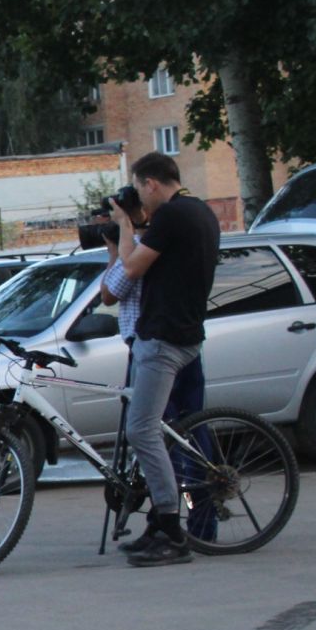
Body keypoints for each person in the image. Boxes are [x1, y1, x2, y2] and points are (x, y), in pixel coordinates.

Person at [104, 151, 220, 566]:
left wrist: (123, 227)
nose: (138, 197)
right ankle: (162, 520)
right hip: (188, 336)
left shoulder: (171, 216)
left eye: (138, 188)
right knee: (181, 431)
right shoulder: (202, 212)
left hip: (163, 339)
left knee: (142, 431)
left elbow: (129, 270)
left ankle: (171, 529)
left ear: (151, 184)